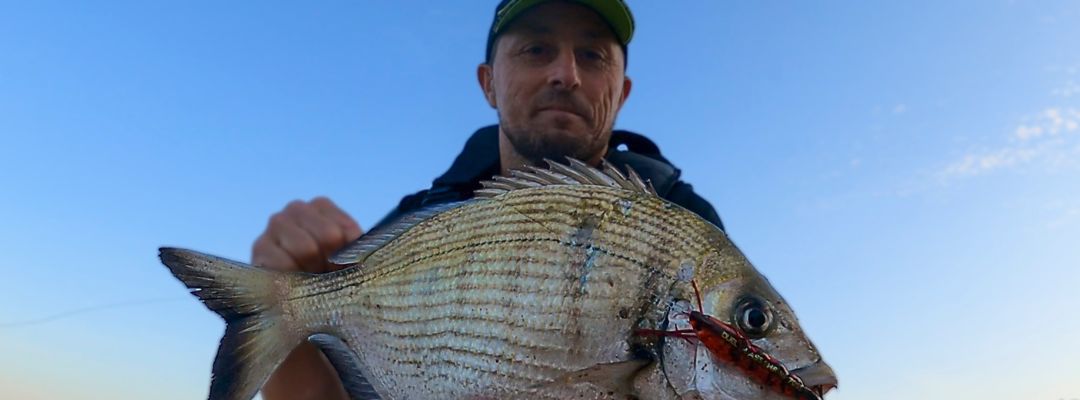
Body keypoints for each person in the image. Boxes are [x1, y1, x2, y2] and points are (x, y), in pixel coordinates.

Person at [251, 1, 723, 398]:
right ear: (488, 83)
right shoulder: (412, 226)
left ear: (621, 93)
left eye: (593, 55)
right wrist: (286, 310)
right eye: (536, 49)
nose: (566, 74)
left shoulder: (687, 226)